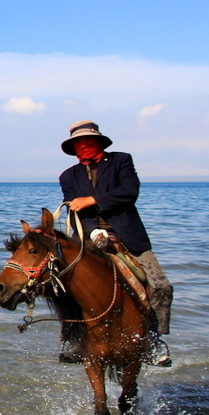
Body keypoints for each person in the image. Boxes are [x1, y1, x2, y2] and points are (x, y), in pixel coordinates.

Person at [58, 120, 173, 366]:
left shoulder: (121, 161)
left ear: (99, 143)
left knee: (161, 285)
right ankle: (73, 339)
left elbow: (130, 192)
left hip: (128, 236)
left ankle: (154, 340)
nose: (83, 146)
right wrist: (92, 232)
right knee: (63, 288)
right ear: (73, 148)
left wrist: (91, 199)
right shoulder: (68, 176)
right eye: (78, 143)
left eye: (88, 141)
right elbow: (72, 208)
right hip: (87, 237)